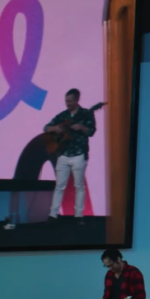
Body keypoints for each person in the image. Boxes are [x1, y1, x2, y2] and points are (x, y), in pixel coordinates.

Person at [44, 88, 96, 226]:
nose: (68, 104)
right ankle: (53, 214)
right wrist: (56, 129)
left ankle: (78, 214)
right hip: (63, 154)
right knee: (59, 185)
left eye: (70, 101)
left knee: (79, 185)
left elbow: (91, 132)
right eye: (66, 101)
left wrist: (81, 128)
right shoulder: (63, 116)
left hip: (79, 154)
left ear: (77, 100)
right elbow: (46, 127)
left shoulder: (86, 114)